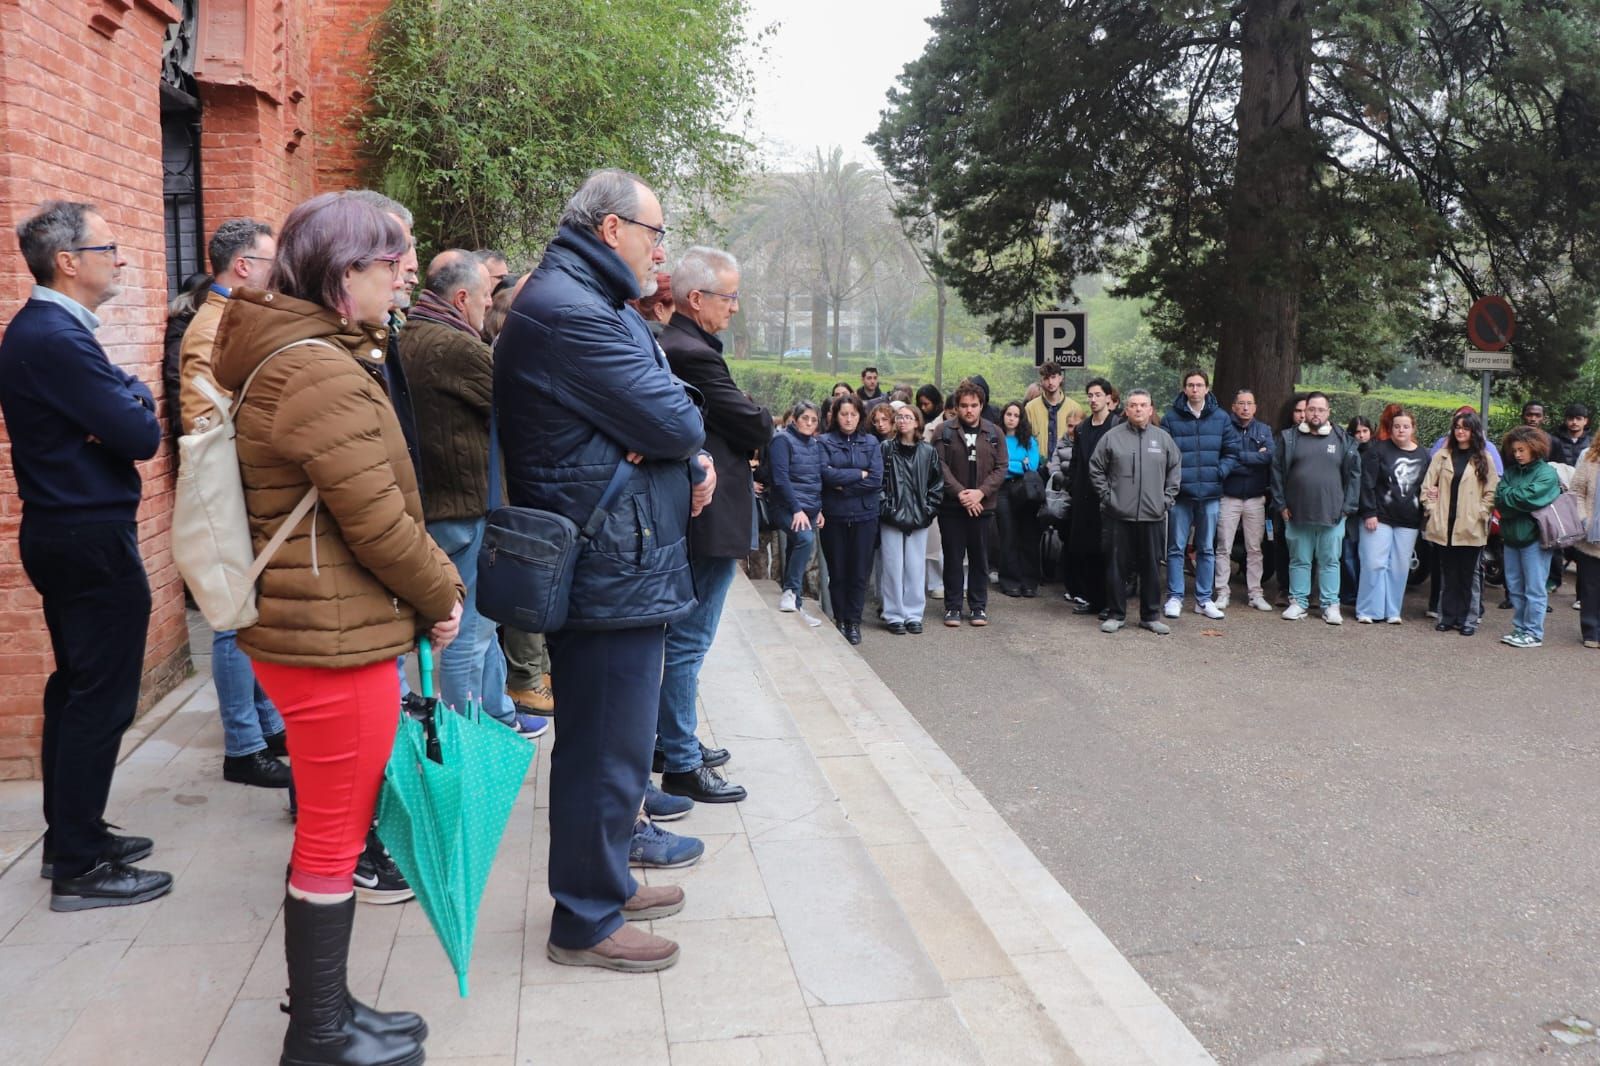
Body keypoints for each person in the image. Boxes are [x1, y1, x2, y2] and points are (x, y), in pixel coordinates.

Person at [211, 191, 465, 1065]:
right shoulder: (314, 368)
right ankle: (319, 1033)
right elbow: (381, 523)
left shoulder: (302, 353)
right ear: (340, 271)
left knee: (331, 827)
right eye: (389, 261)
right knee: (332, 832)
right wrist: (443, 594)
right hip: (329, 637)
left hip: (324, 625)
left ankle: (328, 1012)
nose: (403, 275)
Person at [495, 169, 711, 972]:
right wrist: (667, 435)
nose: (662, 249)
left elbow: (665, 412)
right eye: (656, 234)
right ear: (613, 228)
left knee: (615, 744)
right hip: (606, 562)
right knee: (602, 750)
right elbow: (677, 416)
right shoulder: (570, 311)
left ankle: (607, 877)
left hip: (621, 556)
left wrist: (663, 433)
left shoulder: (590, 302)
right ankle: (585, 919)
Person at [0, 200, 170, 911]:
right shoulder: (55, 338)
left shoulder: (50, 332)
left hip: (68, 529)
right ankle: (78, 864)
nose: (120, 258)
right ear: (67, 261)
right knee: (100, 699)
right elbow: (138, 434)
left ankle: (76, 834)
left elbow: (126, 410)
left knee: (77, 690)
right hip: (86, 535)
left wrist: (126, 403)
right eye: (108, 247)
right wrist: (128, 408)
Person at [398, 249, 546, 736]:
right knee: (470, 634)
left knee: (465, 629)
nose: (489, 307)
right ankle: (467, 734)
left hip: (435, 504)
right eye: (486, 297)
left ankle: (496, 717)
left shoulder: (409, 336)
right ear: (461, 298)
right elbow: (520, 407)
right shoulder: (456, 347)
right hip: (464, 509)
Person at [176, 218, 294, 789]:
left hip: (248, 483)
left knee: (255, 615)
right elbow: (201, 414)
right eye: (271, 262)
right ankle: (243, 747)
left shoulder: (241, 316)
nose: (280, 273)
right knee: (231, 620)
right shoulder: (211, 324)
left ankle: (267, 725)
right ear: (242, 266)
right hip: (231, 487)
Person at [656, 246, 770, 803]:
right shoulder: (690, 351)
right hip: (708, 513)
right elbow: (751, 420)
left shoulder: (682, 344)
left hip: (701, 508)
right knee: (689, 639)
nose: (735, 308)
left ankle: (671, 739)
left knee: (684, 638)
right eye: (729, 298)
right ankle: (678, 756)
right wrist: (759, 415)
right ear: (695, 298)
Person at [1089, 389, 1181, 635]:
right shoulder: (1112, 437)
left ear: (1151, 410)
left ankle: (1150, 616)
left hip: (1153, 516)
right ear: (1126, 410)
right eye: (1133, 405)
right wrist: (1108, 498)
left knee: (1151, 567)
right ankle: (1116, 614)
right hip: (1118, 516)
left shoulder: (1163, 440)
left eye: (1143, 405)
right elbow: (1096, 468)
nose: (1138, 409)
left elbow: (1175, 469)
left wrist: (1167, 500)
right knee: (1116, 567)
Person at [1271, 392, 1361, 623]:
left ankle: (1331, 605)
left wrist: (1347, 508)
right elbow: (1277, 473)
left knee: (1330, 561)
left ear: (1328, 413)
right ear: (1304, 411)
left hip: (1332, 515)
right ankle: (1298, 602)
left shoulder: (1343, 440)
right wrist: (1281, 505)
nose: (1315, 414)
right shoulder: (1289, 438)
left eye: (1321, 410)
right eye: (1311, 409)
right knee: (1299, 560)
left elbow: (1354, 476)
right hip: (1296, 514)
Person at [1162, 369, 1240, 620]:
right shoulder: (1171, 419)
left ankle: (1204, 600)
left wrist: (1219, 472)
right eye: (1190, 385)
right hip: (1181, 494)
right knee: (1176, 548)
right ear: (1184, 389)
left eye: (1199, 385)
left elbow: (1232, 451)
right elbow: (1163, 455)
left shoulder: (1221, 418)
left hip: (1210, 493)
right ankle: (1175, 596)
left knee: (1207, 548)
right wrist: (1174, 481)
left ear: (1207, 388)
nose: (1195, 389)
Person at [932, 382, 1006, 627]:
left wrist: (980, 493)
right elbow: (939, 466)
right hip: (952, 507)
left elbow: (1001, 467)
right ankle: (952, 606)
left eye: (974, 405)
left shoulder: (994, 433)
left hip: (983, 507)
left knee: (979, 559)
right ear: (956, 407)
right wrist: (963, 494)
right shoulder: (944, 431)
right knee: (953, 558)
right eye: (964, 406)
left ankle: (978, 606)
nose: (969, 410)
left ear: (981, 406)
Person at [1421, 411, 1498, 635]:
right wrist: (1432, 509)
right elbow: (1427, 487)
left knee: (1469, 576)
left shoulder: (1484, 458)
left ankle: (1468, 620)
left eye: (1465, 427)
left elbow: (1492, 491)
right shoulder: (1442, 456)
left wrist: (1481, 512)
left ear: (1473, 431)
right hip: (1445, 524)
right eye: (1457, 427)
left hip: (1471, 526)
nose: (1461, 431)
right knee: (1448, 573)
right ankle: (1448, 616)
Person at [819, 394, 884, 644]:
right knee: (838, 571)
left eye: (854, 414)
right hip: (834, 515)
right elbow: (826, 474)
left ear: (861, 416)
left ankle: (854, 621)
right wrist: (859, 473)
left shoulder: (871, 442)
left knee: (859, 572)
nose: (848, 419)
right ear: (836, 416)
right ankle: (840, 618)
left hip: (865, 515)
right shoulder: (824, 442)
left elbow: (875, 479)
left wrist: (844, 485)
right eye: (844, 414)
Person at [1494, 426, 1562, 648]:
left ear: (1535, 448)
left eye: (1522, 450)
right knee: (1515, 587)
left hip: (1535, 539)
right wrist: (1514, 501)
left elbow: (1529, 499)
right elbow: (1499, 498)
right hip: (1512, 538)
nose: (1517, 454)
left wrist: (1510, 500)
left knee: (1534, 587)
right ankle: (1520, 628)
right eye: (1514, 450)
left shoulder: (1546, 473)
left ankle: (1533, 632)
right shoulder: (1512, 472)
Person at [1356, 409, 1427, 623]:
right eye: (1397, 426)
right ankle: (1368, 610)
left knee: (1399, 566)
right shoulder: (1378, 450)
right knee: (1374, 563)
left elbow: (1427, 485)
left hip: (1409, 520)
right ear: (1391, 428)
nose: (1401, 430)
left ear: (1413, 428)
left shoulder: (1424, 455)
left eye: (1405, 426)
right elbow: (1367, 483)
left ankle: (1392, 611)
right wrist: (1369, 512)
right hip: (1379, 517)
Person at [879, 404, 943, 634]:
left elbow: (937, 485)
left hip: (919, 517)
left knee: (915, 567)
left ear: (917, 422)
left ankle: (914, 613)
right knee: (892, 566)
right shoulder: (885, 448)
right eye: (899, 417)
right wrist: (885, 507)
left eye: (908, 417)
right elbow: (878, 481)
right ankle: (893, 613)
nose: (903, 420)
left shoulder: (928, 452)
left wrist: (927, 510)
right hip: (891, 517)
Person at [1065, 377, 1121, 616]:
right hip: (1083, 497)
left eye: (1098, 395)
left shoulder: (1117, 426)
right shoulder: (1082, 428)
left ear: (1109, 397)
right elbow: (1076, 461)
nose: (1093, 399)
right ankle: (1091, 598)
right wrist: (1072, 487)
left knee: (1108, 551)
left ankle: (1110, 601)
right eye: (1090, 395)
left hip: (1109, 497)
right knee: (1085, 549)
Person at [1214, 388, 1274, 612]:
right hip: (1229, 496)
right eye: (1241, 403)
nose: (1245, 407)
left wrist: (1239, 457)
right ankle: (1222, 592)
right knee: (1223, 547)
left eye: (1250, 403)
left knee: (1255, 548)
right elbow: (1222, 459)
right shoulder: (1225, 429)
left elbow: (1269, 457)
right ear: (1234, 406)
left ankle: (1255, 593)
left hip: (1255, 498)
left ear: (1255, 407)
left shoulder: (1264, 429)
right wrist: (1254, 458)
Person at [770, 401, 826, 626]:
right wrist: (796, 509)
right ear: (794, 418)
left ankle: (798, 606)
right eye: (805, 419)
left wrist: (819, 509)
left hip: (810, 508)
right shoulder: (782, 440)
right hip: (787, 507)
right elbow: (780, 478)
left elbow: (815, 479)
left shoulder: (814, 444)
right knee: (804, 539)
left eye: (814, 420)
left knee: (795, 546)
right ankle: (791, 592)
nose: (810, 423)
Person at [995, 400, 1043, 597]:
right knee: (1008, 535)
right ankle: (1010, 580)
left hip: (1025, 490)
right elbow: (996, 466)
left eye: (1016, 415)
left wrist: (1007, 465)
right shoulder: (995, 438)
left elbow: (1031, 465)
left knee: (1028, 535)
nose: (1012, 418)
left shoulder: (1029, 440)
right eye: (1009, 414)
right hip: (1002, 490)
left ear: (1021, 418)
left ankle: (1029, 580)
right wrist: (1016, 463)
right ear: (1003, 416)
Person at [163, 270, 210, 443]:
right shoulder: (183, 328)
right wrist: (186, 428)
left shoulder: (186, 324)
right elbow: (175, 375)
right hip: (193, 427)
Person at [1271, 393, 1309, 600]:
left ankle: (1306, 591)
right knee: (1283, 546)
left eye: (1306, 410)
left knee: (1308, 549)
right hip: (1284, 503)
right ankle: (1284, 588)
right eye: (1298, 411)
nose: (1302, 415)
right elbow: (1276, 473)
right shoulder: (1282, 438)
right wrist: (1280, 503)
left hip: (1309, 503)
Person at [1569, 433, 1600, 648]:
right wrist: (1584, 519)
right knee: (1589, 586)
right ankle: (1591, 631)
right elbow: (1576, 492)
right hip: (1591, 536)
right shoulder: (1590, 459)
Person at [1340, 416, 1374, 608]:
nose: (1361, 435)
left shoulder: (1375, 452)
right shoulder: (1348, 451)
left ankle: (1361, 591)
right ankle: (1349, 592)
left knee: (1364, 554)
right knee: (1347, 553)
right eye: (1357, 432)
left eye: (1365, 431)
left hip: (1367, 510)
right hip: (1351, 510)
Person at [1026, 363, 1084, 471]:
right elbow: (1025, 439)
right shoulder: (1030, 408)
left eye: (1053, 377)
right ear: (1041, 381)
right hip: (1038, 467)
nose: (1050, 382)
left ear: (1060, 378)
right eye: (1046, 378)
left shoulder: (1075, 408)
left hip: (1066, 467)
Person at [1552, 403, 1592, 467]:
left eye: (1578, 419)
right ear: (1565, 420)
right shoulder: (1555, 441)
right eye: (1571, 418)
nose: (1574, 422)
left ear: (1585, 421)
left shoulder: (1592, 442)